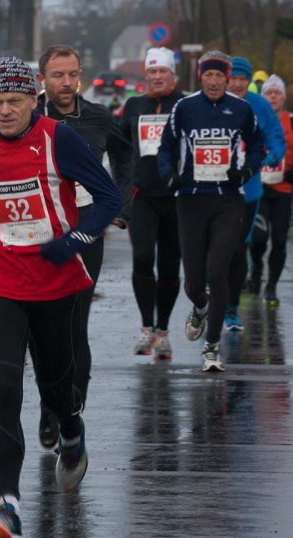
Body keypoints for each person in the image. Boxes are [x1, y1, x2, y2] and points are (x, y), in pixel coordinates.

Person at [0, 56, 121, 538]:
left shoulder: (59, 139)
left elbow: (108, 199)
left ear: (32, 100)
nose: (3, 111)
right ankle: (9, 505)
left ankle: (73, 428)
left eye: (14, 101)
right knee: (4, 389)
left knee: (56, 384)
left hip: (55, 283)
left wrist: (71, 242)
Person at [34, 44, 132, 450]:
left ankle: (70, 412)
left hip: (86, 230)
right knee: (41, 328)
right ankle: (47, 405)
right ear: (42, 79)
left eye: (72, 74)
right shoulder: (28, 116)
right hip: (41, 235)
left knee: (76, 326)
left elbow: (127, 160)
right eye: (58, 75)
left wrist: (120, 203)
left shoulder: (97, 117)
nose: (67, 82)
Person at [157, 51, 264, 372]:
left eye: (220, 76)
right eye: (209, 75)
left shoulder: (241, 109)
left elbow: (258, 146)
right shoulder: (185, 108)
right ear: (200, 77)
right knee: (193, 283)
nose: (214, 81)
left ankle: (212, 346)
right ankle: (200, 307)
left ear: (227, 79)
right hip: (190, 199)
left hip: (228, 200)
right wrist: (170, 175)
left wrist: (245, 173)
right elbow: (165, 147)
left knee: (217, 272)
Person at [120, 47, 184, 360]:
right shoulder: (134, 105)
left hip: (176, 200)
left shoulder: (185, 105)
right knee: (143, 259)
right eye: (153, 71)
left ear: (173, 75)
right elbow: (119, 147)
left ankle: (163, 331)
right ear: (146, 74)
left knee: (170, 266)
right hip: (142, 197)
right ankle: (146, 328)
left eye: (163, 72)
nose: (157, 77)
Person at [224, 56, 285, 332]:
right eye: (233, 78)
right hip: (213, 187)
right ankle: (210, 298)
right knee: (215, 248)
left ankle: (232, 307)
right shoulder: (213, 100)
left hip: (247, 189)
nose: (237, 84)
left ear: (249, 81)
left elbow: (274, 134)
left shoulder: (258, 104)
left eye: (242, 79)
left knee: (238, 249)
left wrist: (273, 154)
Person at [250, 74, 293, 305]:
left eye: (277, 93)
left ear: (283, 97)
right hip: (260, 189)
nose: (273, 96)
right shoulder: (255, 118)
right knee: (258, 239)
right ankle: (256, 268)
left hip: (283, 190)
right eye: (269, 92)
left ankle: (272, 286)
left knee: (279, 241)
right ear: (263, 96)